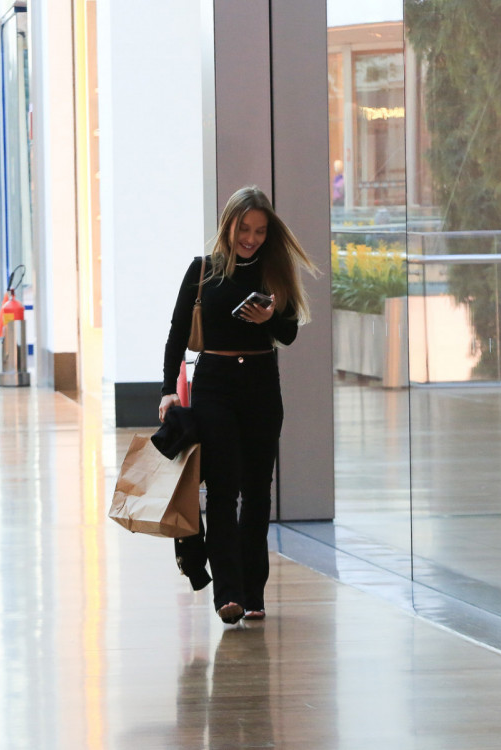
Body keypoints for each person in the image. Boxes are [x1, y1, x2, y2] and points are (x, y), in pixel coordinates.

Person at [159, 186, 318, 624]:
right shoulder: (202, 271)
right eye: (244, 228)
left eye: (260, 231)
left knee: (257, 494)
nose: (251, 238)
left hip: (262, 386)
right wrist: (167, 389)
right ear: (228, 224)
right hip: (215, 385)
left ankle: (254, 594)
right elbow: (176, 334)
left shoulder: (273, 270)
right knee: (224, 491)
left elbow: (287, 336)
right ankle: (226, 594)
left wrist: (273, 317)